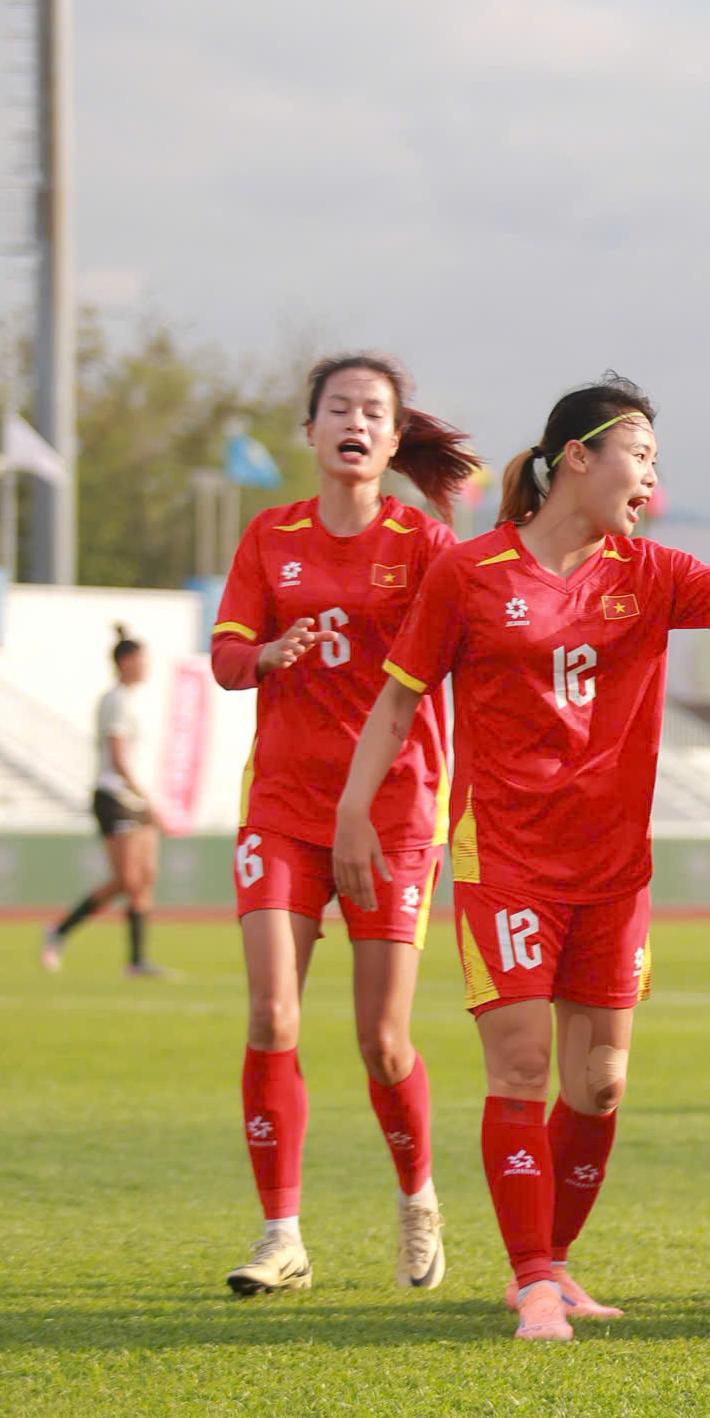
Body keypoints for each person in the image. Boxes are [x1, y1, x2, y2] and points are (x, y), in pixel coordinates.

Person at [334, 375, 710, 1342]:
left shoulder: (649, 573)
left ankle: (554, 1262)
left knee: (601, 1082)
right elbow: (399, 701)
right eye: (641, 454)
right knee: (522, 1064)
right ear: (579, 456)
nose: (653, 476)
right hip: (508, 861)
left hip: (613, 870)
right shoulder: (471, 573)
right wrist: (357, 811)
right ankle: (529, 1281)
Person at [207, 353, 479, 1298]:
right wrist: (268, 651)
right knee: (272, 1012)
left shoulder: (428, 546)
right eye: (338, 408)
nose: (355, 422)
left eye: (374, 411)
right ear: (312, 431)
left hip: (400, 814)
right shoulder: (268, 537)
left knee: (383, 1041)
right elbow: (227, 658)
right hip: (282, 807)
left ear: (395, 440)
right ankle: (281, 1235)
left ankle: (418, 1203)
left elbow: (477, 657)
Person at [42, 627, 168, 978]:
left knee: (145, 878)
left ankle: (137, 960)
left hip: (138, 798)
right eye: (141, 659)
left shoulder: (134, 700)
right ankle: (58, 931)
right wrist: (147, 798)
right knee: (126, 880)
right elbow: (119, 758)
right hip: (116, 796)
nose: (146, 666)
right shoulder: (115, 701)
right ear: (125, 662)